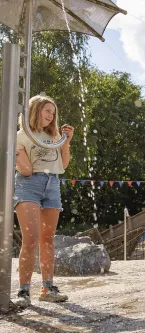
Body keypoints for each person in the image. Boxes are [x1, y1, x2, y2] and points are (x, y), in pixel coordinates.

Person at [13, 95, 74, 308]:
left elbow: (64, 164)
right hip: (29, 184)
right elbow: (26, 170)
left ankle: (48, 288)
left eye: (53, 112)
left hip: (53, 184)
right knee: (30, 239)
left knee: (48, 239)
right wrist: (16, 154)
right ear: (35, 110)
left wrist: (66, 142)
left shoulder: (55, 136)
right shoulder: (19, 136)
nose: (51, 115)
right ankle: (23, 291)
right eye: (47, 110)